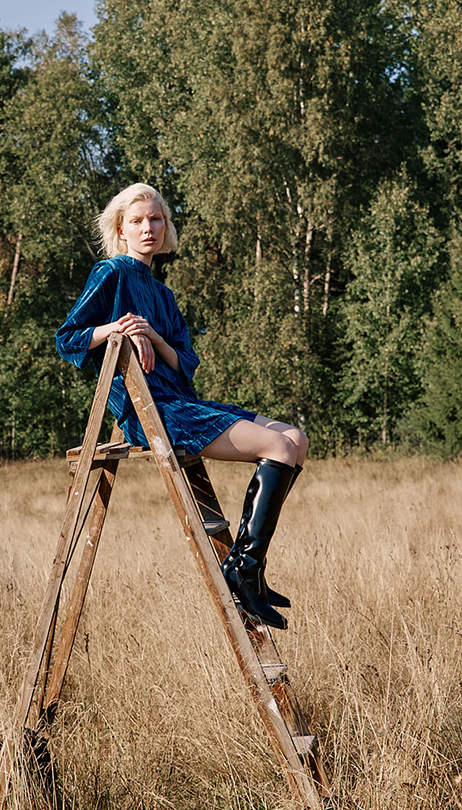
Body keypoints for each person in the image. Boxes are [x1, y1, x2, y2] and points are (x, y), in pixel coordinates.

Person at [56, 183, 308, 630]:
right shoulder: (110, 273)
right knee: (278, 447)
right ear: (121, 229)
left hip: (181, 401)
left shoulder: (163, 294)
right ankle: (243, 570)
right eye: (137, 221)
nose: (148, 228)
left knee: (296, 438)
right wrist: (117, 328)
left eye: (156, 219)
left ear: (166, 226)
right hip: (149, 412)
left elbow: (184, 363)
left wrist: (153, 335)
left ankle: (248, 570)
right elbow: (68, 338)